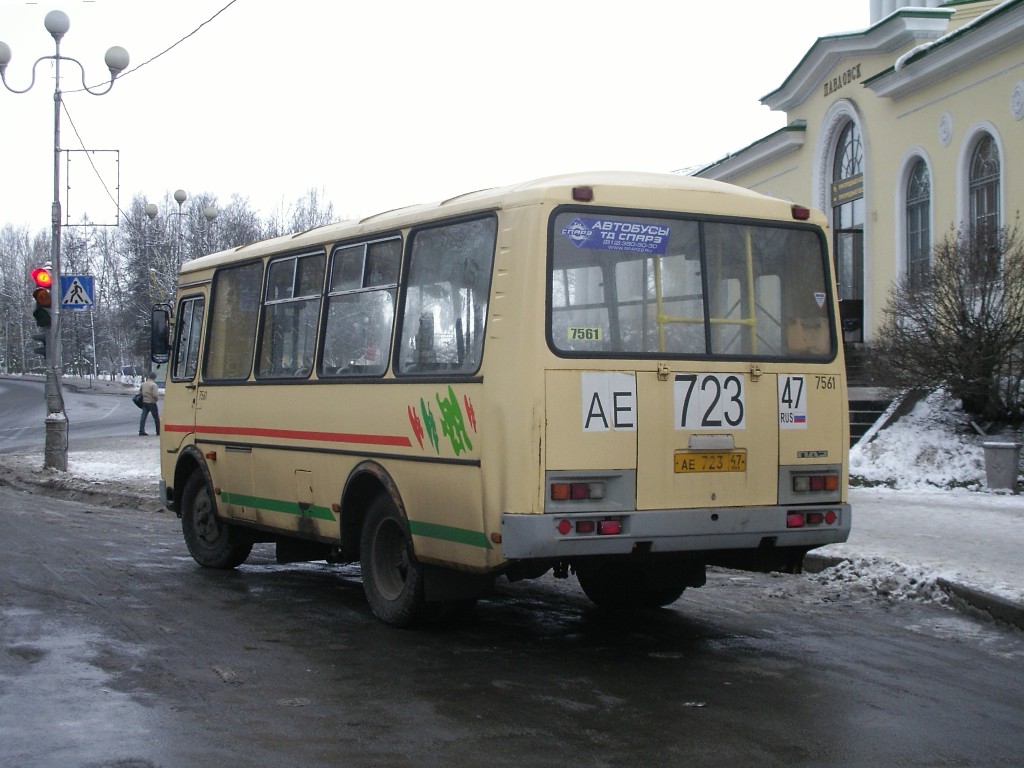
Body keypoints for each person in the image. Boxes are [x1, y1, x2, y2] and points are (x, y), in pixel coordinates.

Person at [139, 372, 161, 436]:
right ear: (154, 377)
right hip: (152, 402)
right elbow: (155, 395)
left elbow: (140, 392)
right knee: (156, 418)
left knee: (143, 417)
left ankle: (141, 430)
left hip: (145, 402)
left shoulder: (143, 384)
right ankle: (158, 431)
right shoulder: (154, 385)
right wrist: (156, 399)